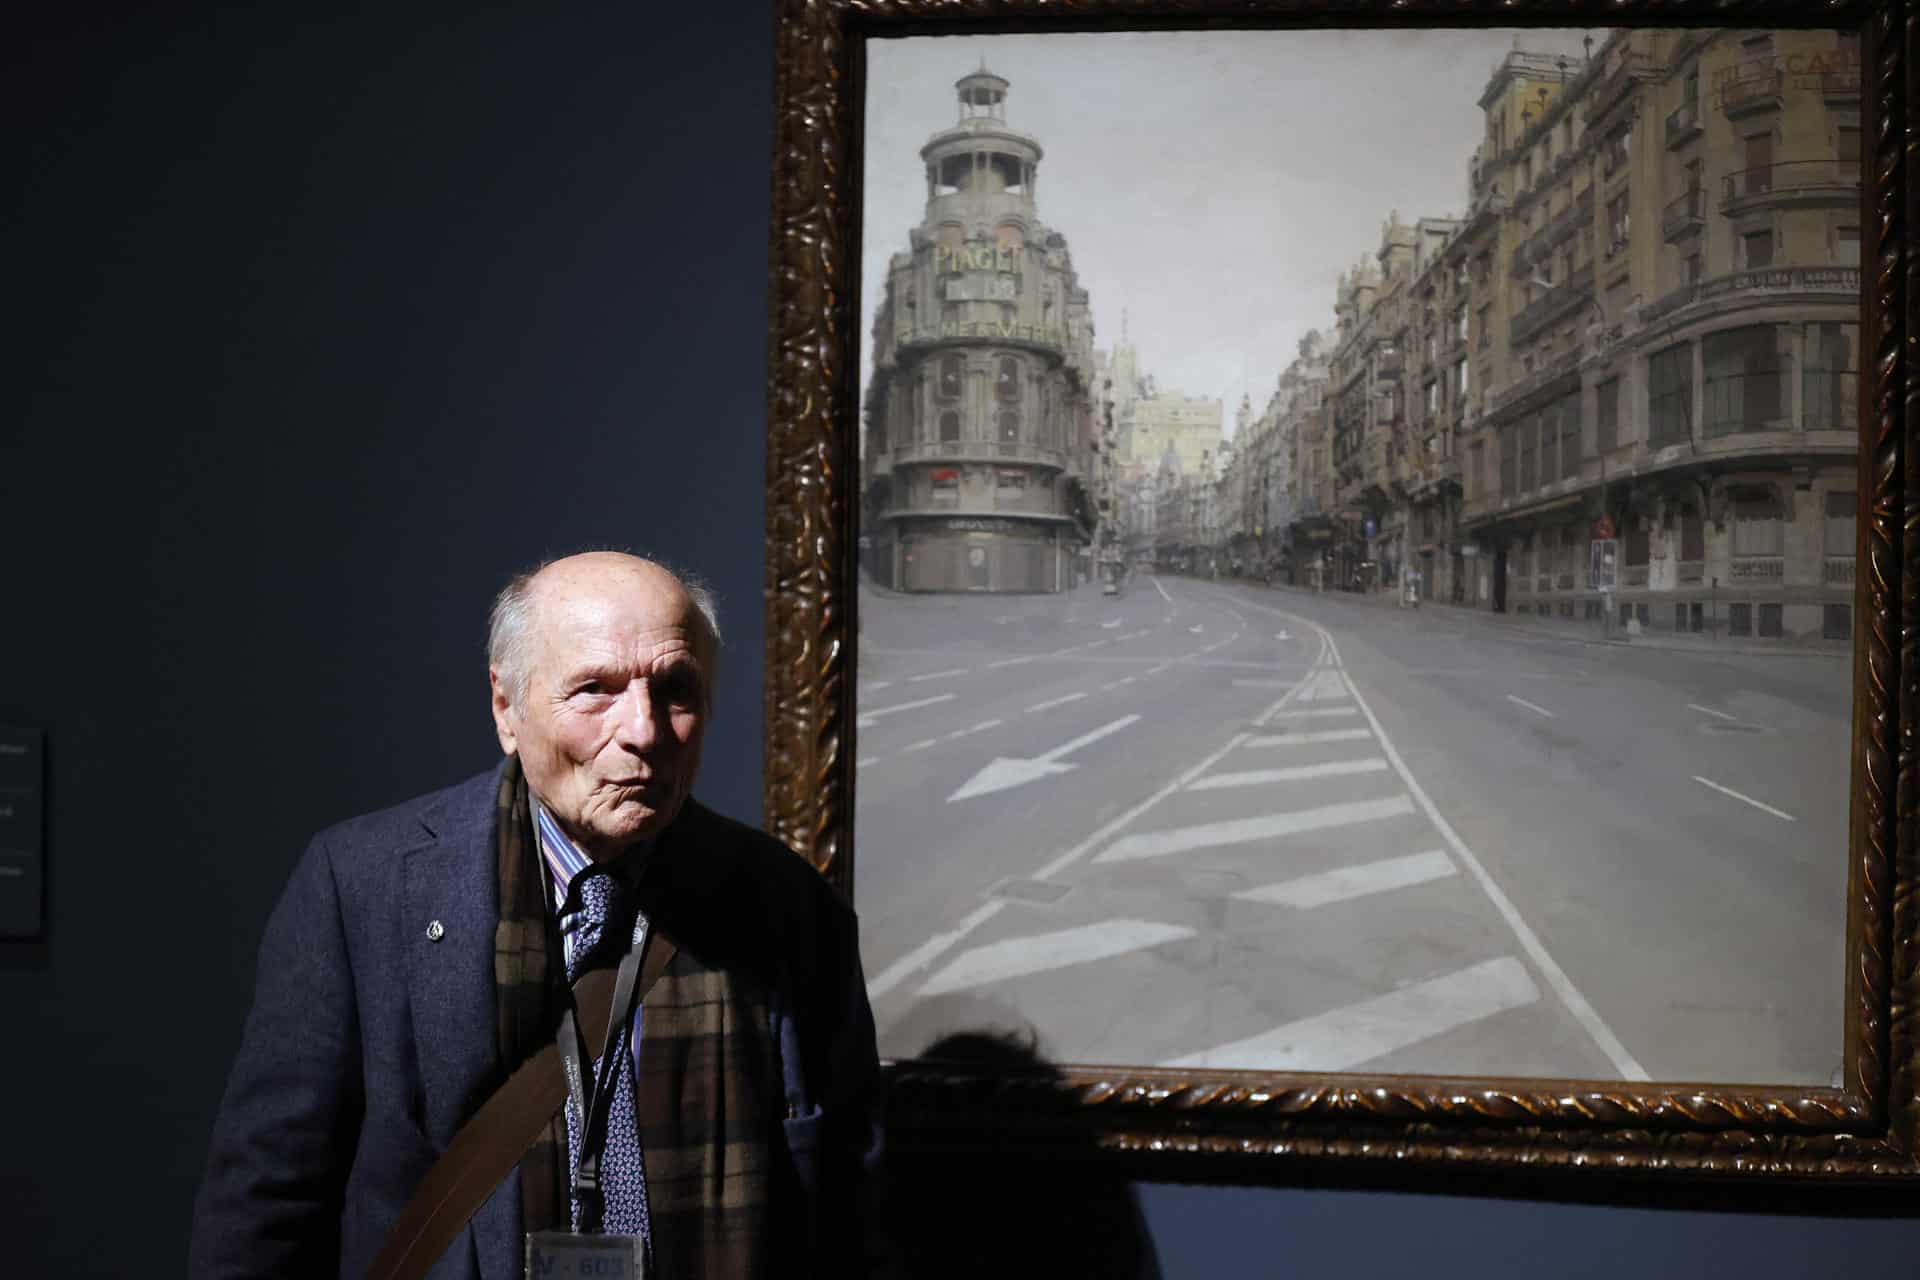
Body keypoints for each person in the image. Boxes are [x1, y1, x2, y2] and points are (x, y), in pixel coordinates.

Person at [190, 552, 884, 1278]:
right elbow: (265, 1201)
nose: (643, 731)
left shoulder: (791, 909)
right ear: (506, 709)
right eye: (595, 690)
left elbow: (846, 1213)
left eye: (674, 690)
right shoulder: (365, 887)